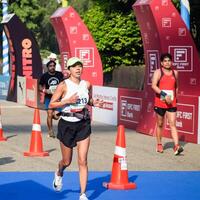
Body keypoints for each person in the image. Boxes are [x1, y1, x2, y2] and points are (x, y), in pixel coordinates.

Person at [49, 57, 103, 200]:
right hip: (66, 125)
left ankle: (83, 194)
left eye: (80, 66)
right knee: (67, 161)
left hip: (83, 124)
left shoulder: (86, 84)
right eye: (74, 67)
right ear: (69, 70)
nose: (78, 69)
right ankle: (59, 172)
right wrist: (67, 100)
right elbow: (52, 104)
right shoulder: (63, 85)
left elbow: (88, 100)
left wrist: (94, 102)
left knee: (83, 160)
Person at [151, 53, 184, 155]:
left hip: (172, 103)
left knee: (173, 124)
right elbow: (153, 86)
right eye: (165, 61)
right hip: (160, 102)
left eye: (169, 60)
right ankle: (159, 144)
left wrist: (175, 98)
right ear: (161, 63)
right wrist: (164, 95)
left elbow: (177, 87)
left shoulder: (175, 72)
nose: (167, 62)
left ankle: (176, 146)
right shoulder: (158, 72)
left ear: (171, 62)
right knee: (160, 124)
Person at [39, 60, 64, 138]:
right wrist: (45, 90)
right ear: (47, 67)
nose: (52, 67)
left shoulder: (59, 74)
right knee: (49, 114)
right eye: (50, 66)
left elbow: (64, 84)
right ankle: (50, 130)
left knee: (56, 117)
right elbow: (40, 86)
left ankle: (54, 114)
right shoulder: (44, 76)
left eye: (53, 66)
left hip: (58, 98)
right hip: (48, 98)